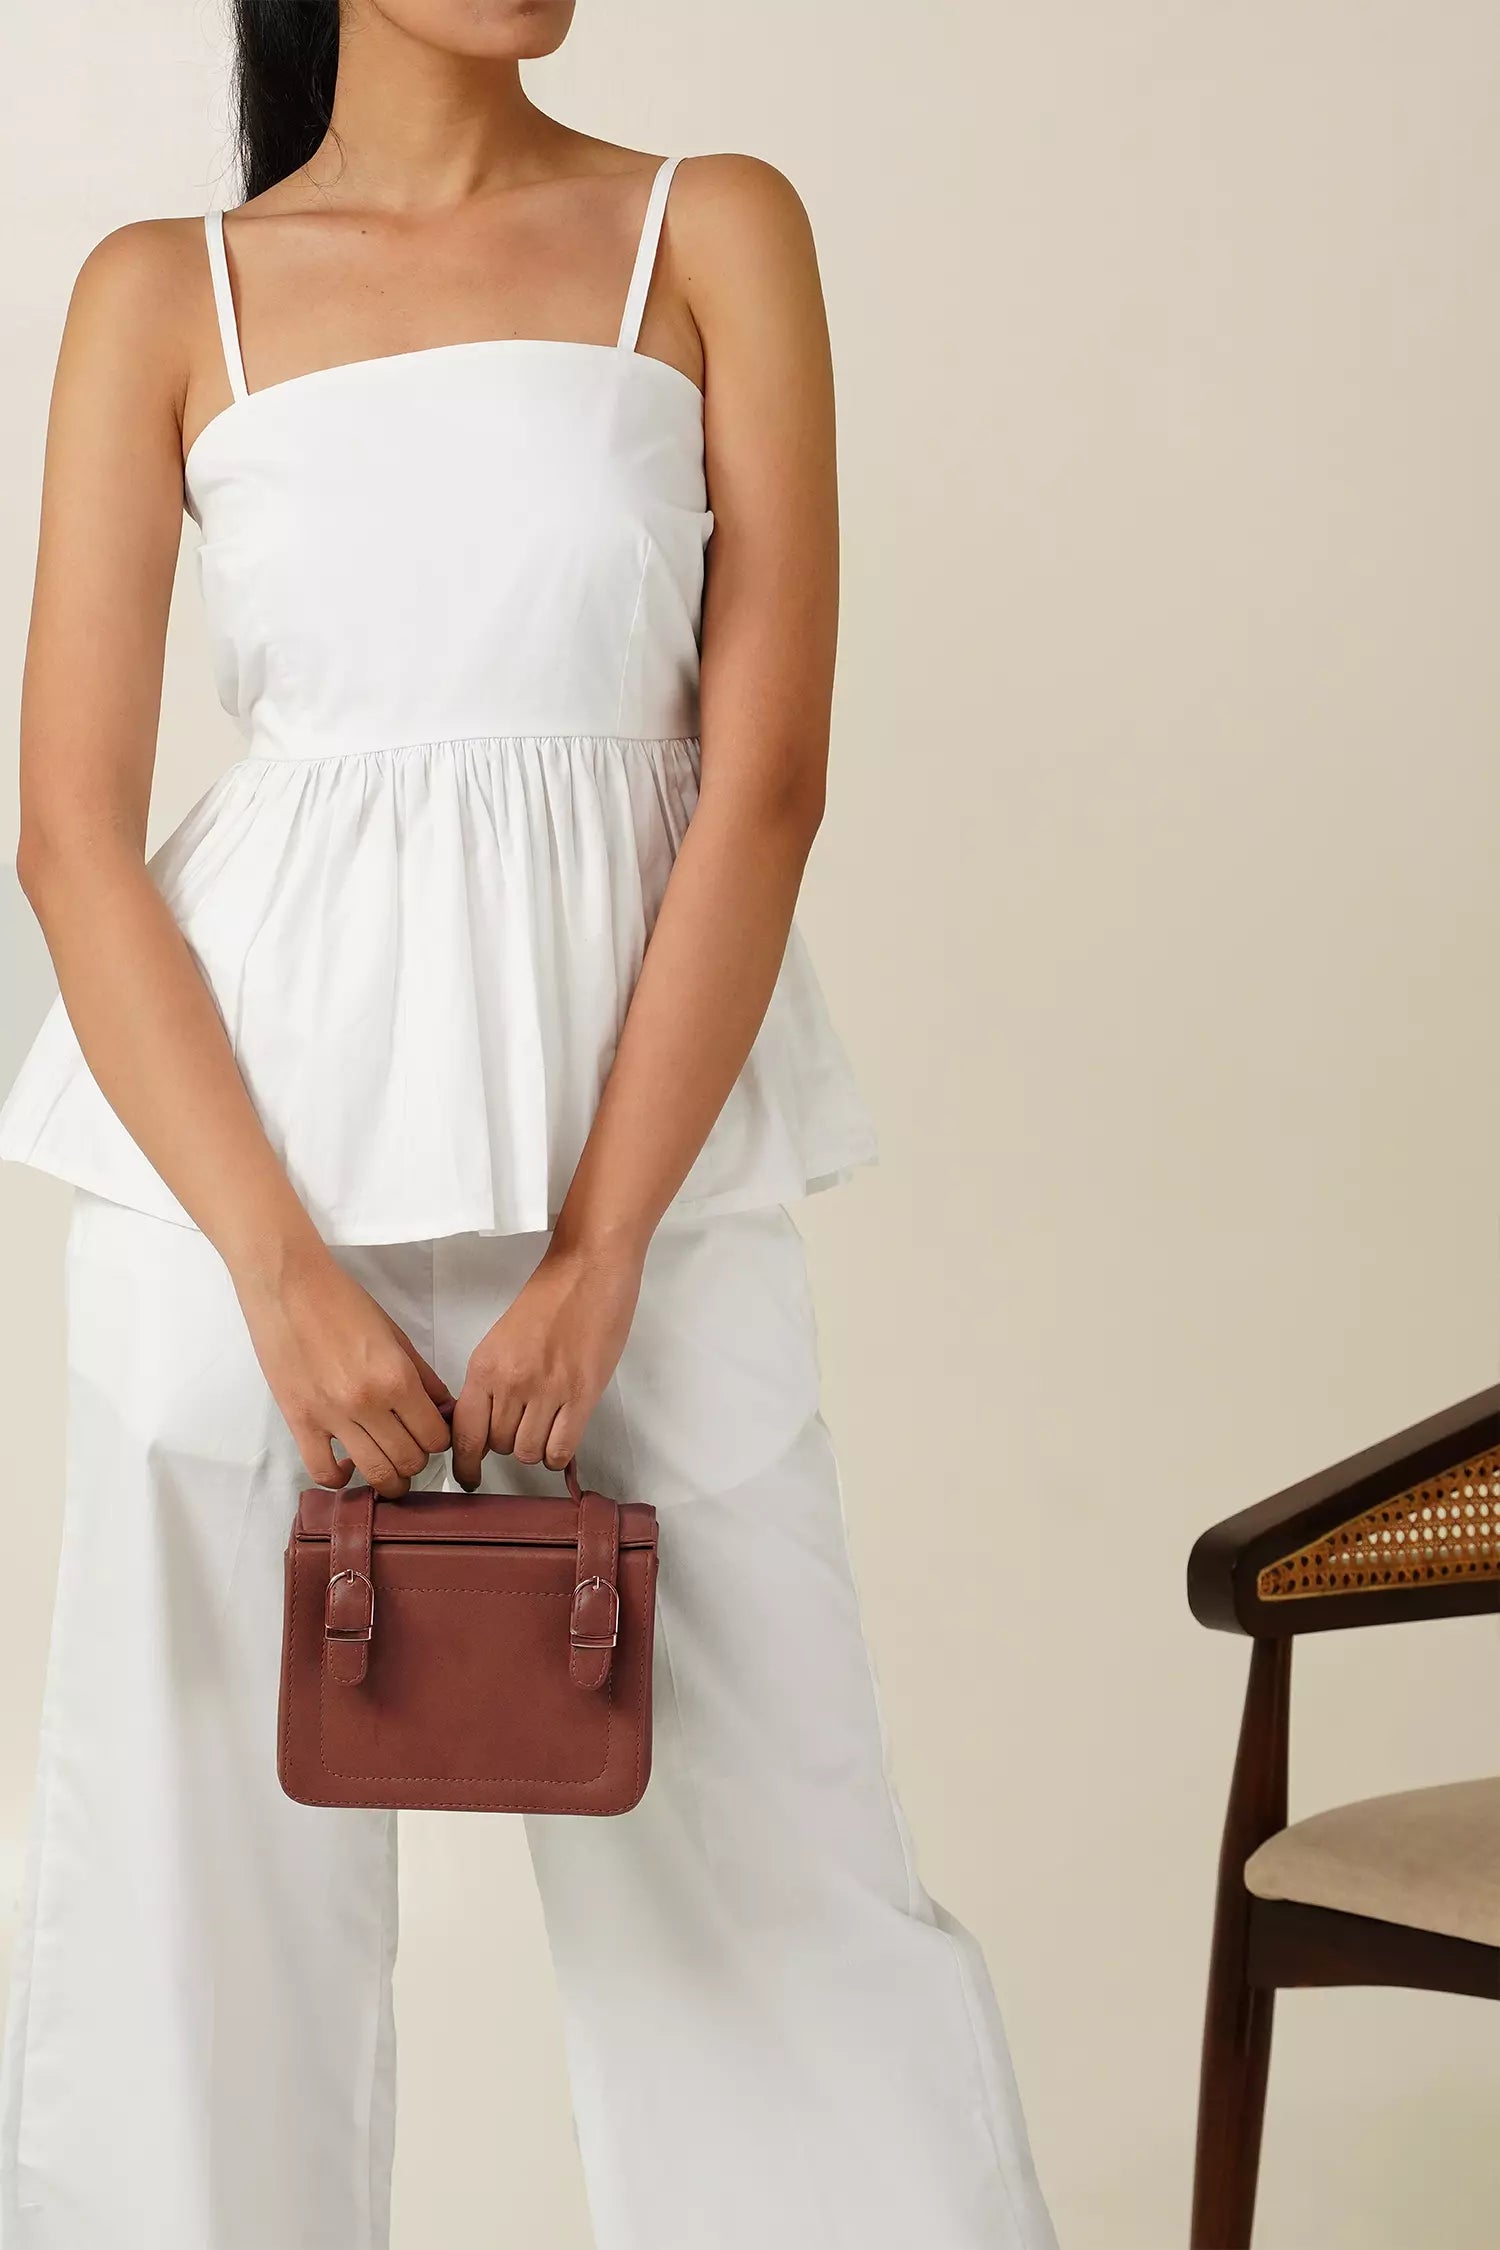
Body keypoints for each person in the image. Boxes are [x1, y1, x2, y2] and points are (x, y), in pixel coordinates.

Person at [0, 2, 1056, 2244]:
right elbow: (73, 835)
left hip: (643, 1188)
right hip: (232, 1207)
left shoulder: (711, 232)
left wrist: (601, 1252)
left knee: (786, 1903)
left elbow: (762, 779)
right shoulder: (156, 291)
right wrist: (279, 1277)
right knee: (188, 1931)